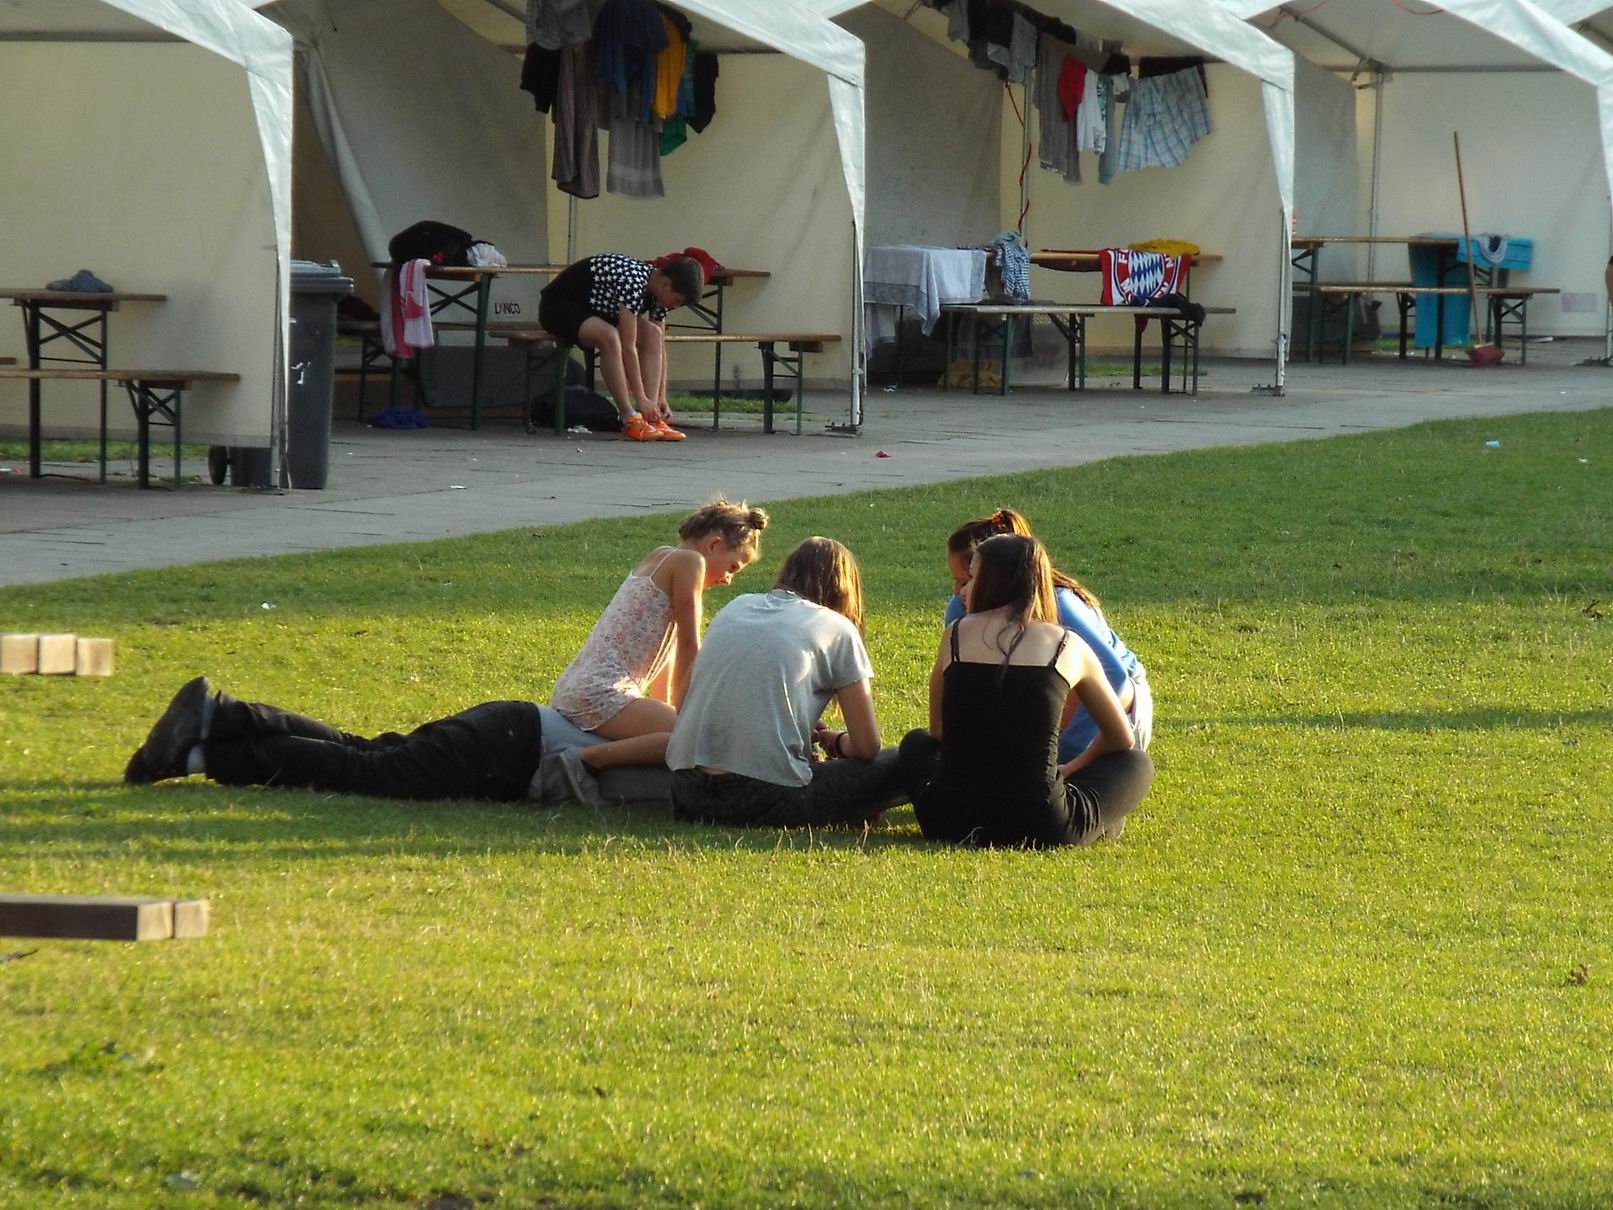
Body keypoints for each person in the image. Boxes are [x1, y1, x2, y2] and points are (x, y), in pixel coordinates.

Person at [901, 533, 1154, 847]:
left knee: (916, 742)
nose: (962, 590)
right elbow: (1121, 739)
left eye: (971, 578)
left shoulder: (955, 635)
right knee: (1136, 763)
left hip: (948, 817)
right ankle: (1100, 821)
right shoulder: (1068, 645)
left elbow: (938, 731)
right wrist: (1069, 769)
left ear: (992, 583)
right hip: (1041, 822)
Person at [120, 678, 670, 806]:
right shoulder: (693, 739)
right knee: (369, 771)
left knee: (367, 753)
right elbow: (663, 740)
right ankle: (207, 740)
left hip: (512, 731)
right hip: (513, 747)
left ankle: (212, 728)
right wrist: (583, 764)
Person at [665, 537, 905, 828]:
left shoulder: (736, 606)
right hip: (765, 796)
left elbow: (683, 703)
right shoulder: (838, 628)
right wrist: (837, 742)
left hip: (688, 791)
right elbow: (867, 746)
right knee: (912, 754)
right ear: (845, 590)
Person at [548, 497, 766, 781]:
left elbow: (667, 655)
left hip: (577, 688)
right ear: (713, 545)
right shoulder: (690, 562)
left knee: (682, 729)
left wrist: (668, 708)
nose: (728, 580)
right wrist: (688, 712)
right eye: (732, 568)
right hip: (600, 693)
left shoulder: (662, 556)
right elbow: (689, 644)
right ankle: (586, 760)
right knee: (697, 737)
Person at [943, 508, 1152, 760]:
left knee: (1131, 766)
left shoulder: (1060, 605)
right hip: (1044, 713)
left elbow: (1115, 680)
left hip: (1115, 710)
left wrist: (1063, 756)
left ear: (998, 576)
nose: (958, 591)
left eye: (966, 580)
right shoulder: (960, 609)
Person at [537, 252, 703, 442]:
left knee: (653, 334)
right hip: (559, 307)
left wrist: (659, 398)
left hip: (597, 310)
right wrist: (640, 398)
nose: (675, 306)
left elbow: (658, 342)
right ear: (666, 284)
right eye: (677, 301)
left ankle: (651, 417)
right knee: (609, 337)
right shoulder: (633, 283)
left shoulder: (657, 290)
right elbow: (628, 347)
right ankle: (628, 417)